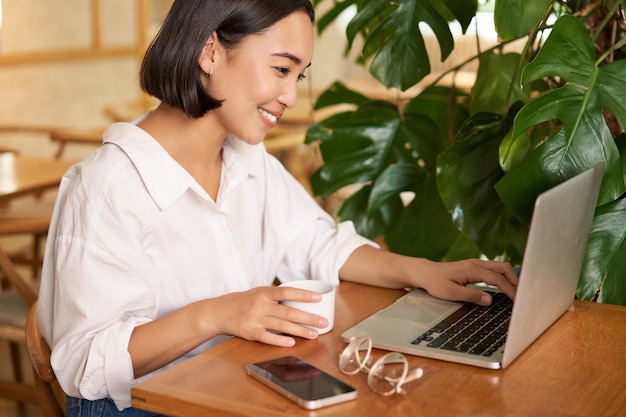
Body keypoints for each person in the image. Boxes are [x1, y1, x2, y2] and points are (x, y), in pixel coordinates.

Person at [37, 0, 518, 415]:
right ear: (210, 52)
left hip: (231, 387)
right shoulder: (107, 187)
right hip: (144, 408)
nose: (290, 96)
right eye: (281, 69)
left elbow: (320, 245)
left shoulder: (248, 161)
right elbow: (84, 362)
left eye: (298, 75)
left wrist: (423, 271)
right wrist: (217, 314)